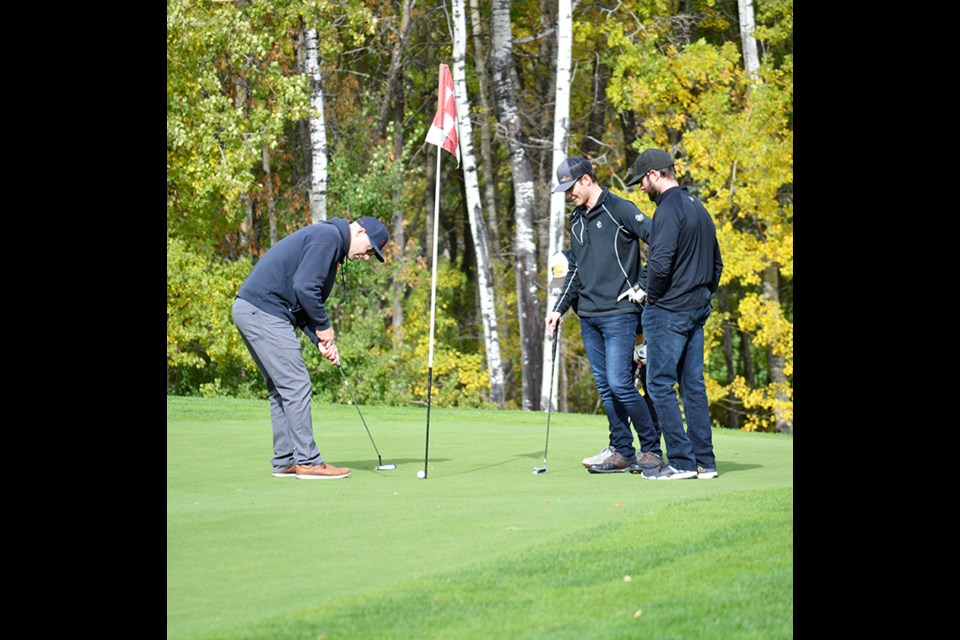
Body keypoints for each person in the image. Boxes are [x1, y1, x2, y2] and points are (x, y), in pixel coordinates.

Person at [231, 216, 390, 480]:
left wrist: (320, 341)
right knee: (297, 384)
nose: (367, 256)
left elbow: (302, 307)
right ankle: (308, 461)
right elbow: (305, 287)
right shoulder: (329, 238)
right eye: (370, 248)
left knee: (282, 389)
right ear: (360, 231)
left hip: (254, 310)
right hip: (264, 310)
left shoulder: (331, 244)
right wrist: (325, 325)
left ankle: (284, 461)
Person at [545, 156, 664, 474]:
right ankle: (622, 451)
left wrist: (644, 284)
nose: (569, 194)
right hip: (589, 316)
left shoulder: (620, 208)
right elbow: (576, 270)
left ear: (586, 179)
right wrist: (559, 309)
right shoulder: (576, 219)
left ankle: (650, 449)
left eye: (571, 187)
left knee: (621, 384)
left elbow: (660, 239)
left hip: (620, 313)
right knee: (607, 387)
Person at [625, 148, 723, 480]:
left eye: (641, 181)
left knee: (659, 384)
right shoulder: (699, 208)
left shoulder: (667, 210)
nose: (641, 188)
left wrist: (648, 294)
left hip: (668, 311)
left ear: (654, 175)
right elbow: (717, 265)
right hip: (695, 309)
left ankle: (681, 462)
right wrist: (704, 296)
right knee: (692, 385)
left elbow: (661, 263)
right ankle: (704, 463)